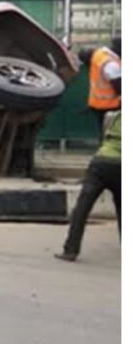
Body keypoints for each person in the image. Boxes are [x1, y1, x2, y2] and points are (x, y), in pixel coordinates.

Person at [55, 109, 121, 262]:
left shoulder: (115, 116)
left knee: (82, 209)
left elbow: (106, 135)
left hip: (100, 163)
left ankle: (70, 250)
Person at [79, 37, 121, 140]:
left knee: (106, 134)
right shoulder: (111, 65)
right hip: (110, 106)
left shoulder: (100, 54)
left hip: (98, 103)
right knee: (111, 136)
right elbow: (120, 88)